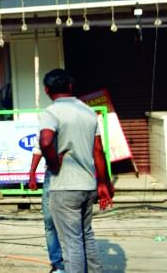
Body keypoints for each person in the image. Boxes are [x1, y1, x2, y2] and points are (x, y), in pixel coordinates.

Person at [39, 69, 114, 273]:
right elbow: (99, 150)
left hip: (65, 187)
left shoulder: (51, 112)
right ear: (70, 86)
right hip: (88, 185)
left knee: (71, 243)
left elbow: (45, 142)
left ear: (47, 90)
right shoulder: (88, 111)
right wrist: (103, 183)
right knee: (86, 235)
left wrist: (53, 164)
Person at [28, 144, 65, 272]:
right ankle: (58, 265)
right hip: (52, 173)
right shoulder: (46, 124)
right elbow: (40, 146)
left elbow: (96, 149)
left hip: (74, 174)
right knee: (50, 222)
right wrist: (32, 172)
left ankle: (76, 264)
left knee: (74, 223)